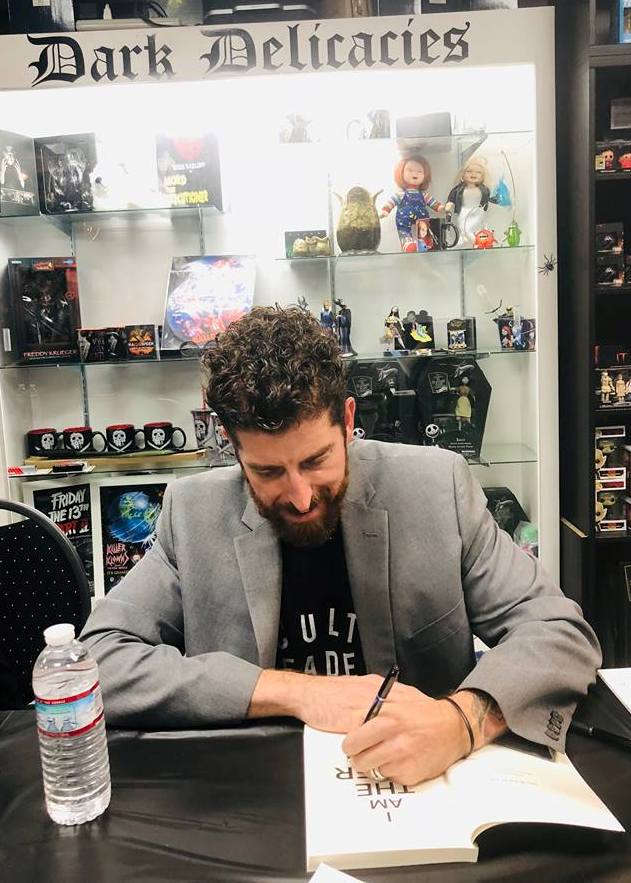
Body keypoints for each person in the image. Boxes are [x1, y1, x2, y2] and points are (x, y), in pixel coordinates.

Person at [81, 307, 600, 787]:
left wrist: (461, 721)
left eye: (315, 461)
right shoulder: (193, 511)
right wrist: (296, 692)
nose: (300, 496)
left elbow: (557, 630)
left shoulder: (436, 487)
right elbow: (96, 661)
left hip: (422, 788)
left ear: (349, 421)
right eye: (267, 471)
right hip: (254, 793)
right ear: (232, 445)